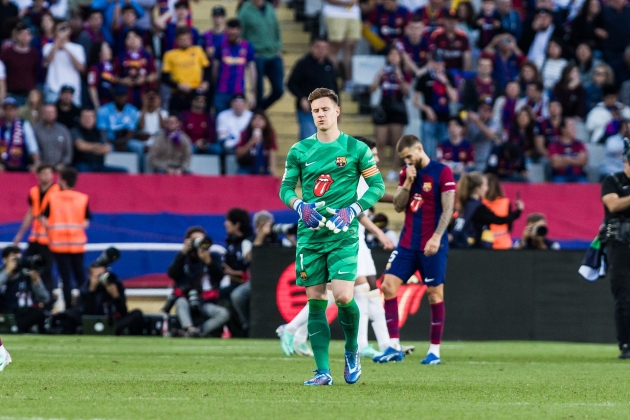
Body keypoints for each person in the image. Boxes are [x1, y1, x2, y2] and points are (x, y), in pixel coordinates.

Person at [279, 87, 385, 385]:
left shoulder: (356, 149)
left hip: (343, 235)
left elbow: (376, 187)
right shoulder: (299, 150)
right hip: (310, 236)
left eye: (325, 109)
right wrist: (300, 206)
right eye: (315, 111)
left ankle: (352, 351)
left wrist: (352, 210)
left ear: (337, 111)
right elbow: (286, 188)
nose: (321, 114)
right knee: (315, 300)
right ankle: (322, 371)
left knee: (342, 296)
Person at [277, 136, 396, 359]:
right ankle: (295, 329)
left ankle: (374, 343)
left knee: (363, 289)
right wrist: (379, 232)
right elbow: (359, 210)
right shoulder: (354, 169)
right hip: (345, 237)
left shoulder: (363, 170)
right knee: (344, 292)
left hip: (354, 238)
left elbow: (376, 193)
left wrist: (400, 198)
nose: (377, 158)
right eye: (374, 153)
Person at [373, 134, 455, 366]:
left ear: (420, 149)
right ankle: (394, 346)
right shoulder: (406, 173)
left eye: (409, 156)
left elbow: (448, 209)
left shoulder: (442, 172)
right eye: (403, 159)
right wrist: (407, 182)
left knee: (434, 294)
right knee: (388, 286)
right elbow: (399, 206)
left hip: (433, 245)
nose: (407, 161)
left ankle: (434, 352)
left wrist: (437, 237)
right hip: (408, 244)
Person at [167, 227, 230, 338]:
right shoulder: (184, 258)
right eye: (195, 240)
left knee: (223, 314)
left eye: (202, 240)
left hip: (206, 302)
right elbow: (172, 274)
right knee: (180, 302)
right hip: (186, 299)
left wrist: (208, 262)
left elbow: (219, 277)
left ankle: (197, 332)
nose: (199, 243)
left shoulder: (212, 257)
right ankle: (189, 328)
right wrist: (183, 253)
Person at [41, 167, 90, 309]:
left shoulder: (53, 198)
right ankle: (84, 307)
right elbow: (86, 222)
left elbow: (44, 219)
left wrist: (52, 231)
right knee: (81, 277)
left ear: (62, 181)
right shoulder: (82, 198)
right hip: (77, 245)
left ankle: (69, 309)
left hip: (59, 245)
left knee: (65, 279)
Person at [601, 144, 630, 358]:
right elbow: (613, 205)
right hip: (620, 243)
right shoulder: (613, 181)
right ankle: (626, 344)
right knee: (623, 294)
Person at [12, 164, 59, 292]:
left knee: (46, 271)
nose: (47, 176)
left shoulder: (57, 191)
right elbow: (31, 213)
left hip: (50, 238)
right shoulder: (34, 191)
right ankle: (28, 296)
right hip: (35, 236)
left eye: (49, 173)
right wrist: (20, 234)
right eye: (44, 173)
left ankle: (48, 301)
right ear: (38, 175)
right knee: (26, 265)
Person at [452, 171, 523, 250]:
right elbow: (499, 220)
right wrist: (518, 212)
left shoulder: (465, 204)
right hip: (474, 250)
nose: (487, 189)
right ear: (478, 188)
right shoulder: (479, 208)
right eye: (485, 185)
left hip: (463, 248)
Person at [370, 46, 410, 180]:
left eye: (396, 55)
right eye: (391, 54)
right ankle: (377, 170)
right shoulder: (383, 72)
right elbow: (372, 89)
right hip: (384, 106)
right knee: (380, 141)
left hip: (398, 107)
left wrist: (400, 77)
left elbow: (407, 92)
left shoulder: (405, 72)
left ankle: (394, 170)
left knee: (396, 142)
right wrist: (378, 76)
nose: (393, 57)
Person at [287, 38, 338, 141]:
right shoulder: (303, 64)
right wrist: (302, 98)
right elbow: (291, 84)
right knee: (309, 139)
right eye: (318, 47)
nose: (321, 50)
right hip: (308, 110)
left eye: (324, 48)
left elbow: (334, 86)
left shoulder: (329, 64)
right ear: (312, 47)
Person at [238, 0, 284, 110]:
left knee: (279, 90)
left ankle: (258, 112)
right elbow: (240, 33)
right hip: (258, 55)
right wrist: (248, 52)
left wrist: (278, 47)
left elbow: (276, 28)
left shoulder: (269, 7)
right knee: (259, 90)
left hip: (273, 54)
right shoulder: (245, 11)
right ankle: (258, 114)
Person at [413, 51, 458, 161]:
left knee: (444, 152)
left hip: (445, 119)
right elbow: (415, 101)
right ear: (431, 62)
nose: (439, 64)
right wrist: (427, 109)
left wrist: (445, 82)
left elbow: (454, 98)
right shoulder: (424, 77)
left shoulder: (449, 76)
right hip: (428, 120)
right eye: (436, 61)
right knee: (428, 152)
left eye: (441, 61)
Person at [82, 261, 144, 335]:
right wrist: (91, 291)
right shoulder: (86, 287)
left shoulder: (115, 284)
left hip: (114, 322)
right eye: (97, 276)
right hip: (92, 321)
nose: (100, 278)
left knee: (137, 313)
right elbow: (85, 312)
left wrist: (115, 295)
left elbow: (123, 311)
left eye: (102, 275)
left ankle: (110, 330)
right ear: (90, 276)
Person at [0, 245, 50, 333]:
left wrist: (36, 282)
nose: (17, 262)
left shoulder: (27, 274)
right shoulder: (1, 273)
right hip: (6, 314)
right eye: (14, 260)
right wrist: (7, 272)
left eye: (19, 259)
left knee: (41, 313)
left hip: (26, 313)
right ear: (5, 260)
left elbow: (45, 299)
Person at [211, 18, 256, 114]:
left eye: (234, 30)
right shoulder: (220, 45)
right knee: (220, 120)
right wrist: (215, 86)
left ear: (239, 30)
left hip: (238, 91)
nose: (232, 32)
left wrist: (252, 92)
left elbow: (252, 70)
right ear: (226, 30)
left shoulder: (247, 46)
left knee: (237, 122)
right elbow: (214, 68)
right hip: (221, 91)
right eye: (230, 30)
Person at [161, 27, 210, 113]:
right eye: (182, 39)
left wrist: (205, 81)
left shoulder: (198, 51)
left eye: (187, 39)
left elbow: (207, 69)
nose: (185, 41)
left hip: (196, 93)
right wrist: (178, 85)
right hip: (178, 93)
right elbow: (164, 78)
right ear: (177, 40)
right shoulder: (169, 55)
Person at [96, 85, 143, 170]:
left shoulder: (132, 110)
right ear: (114, 97)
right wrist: (114, 143)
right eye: (118, 95)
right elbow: (102, 132)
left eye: (123, 95)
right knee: (106, 148)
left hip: (126, 141)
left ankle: (141, 173)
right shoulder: (104, 110)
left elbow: (131, 132)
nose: (121, 98)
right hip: (109, 140)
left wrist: (122, 142)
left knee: (138, 147)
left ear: (126, 97)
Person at [42, 20, 86, 106]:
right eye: (60, 29)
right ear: (55, 31)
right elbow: (47, 62)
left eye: (64, 28)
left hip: (73, 91)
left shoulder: (78, 48)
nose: (62, 31)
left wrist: (65, 48)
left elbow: (80, 67)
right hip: (53, 89)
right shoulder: (48, 47)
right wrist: (57, 44)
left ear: (69, 31)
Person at [71, 108, 127, 173]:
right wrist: (98, 146)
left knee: (123, 171)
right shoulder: (75, 130)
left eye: (90, 117)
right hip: (82, 163)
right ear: (80, 119)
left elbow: (107, 149)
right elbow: (81, 146)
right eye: (85, 117)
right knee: (83, 170)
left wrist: (89, 147)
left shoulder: (100, 132)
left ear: (95, 119)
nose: (88, 119)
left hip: (99, 165)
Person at [322, 0, 361, 92]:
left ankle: (349, 81)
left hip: (353, 13)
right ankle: (331, 81)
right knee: (335, 47)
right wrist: (345, 3)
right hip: (334, 13)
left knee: (350, 47)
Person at [0, 22, 38, 106]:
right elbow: (2, 71)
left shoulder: (34, 53)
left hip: (28, 94)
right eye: (22, 33)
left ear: (31, 37)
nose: (24, 36)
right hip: (11, 93)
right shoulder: (8, 52)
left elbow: (36, 71)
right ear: (16, 35)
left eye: (27, 34)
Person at [117, 29, 157, 109]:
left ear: (140, 40)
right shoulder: (120, 57)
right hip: (127, 93)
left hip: (144, 92)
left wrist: (144, 79)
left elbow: (155, 75)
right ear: (125, 42)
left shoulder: (148, 56)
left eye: (135, 37)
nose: (132, 40)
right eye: (129, 38)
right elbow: (114, 76)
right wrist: (123, 81)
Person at [0, 96, 39, 172]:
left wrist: (36, 163)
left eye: (11, 109)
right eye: (6, 109)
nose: (9, 112)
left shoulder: (24, 124)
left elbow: (32, 146)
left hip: (21, 164)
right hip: (2, 164)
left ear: (16, 110)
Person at [235, 110, 277, 176]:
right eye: (255, 118)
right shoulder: (245, 134)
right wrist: (251, 142)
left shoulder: (269, 134)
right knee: (242, 175)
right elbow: (239, 154)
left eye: (261, 119)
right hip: (247, 166)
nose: (257, 121)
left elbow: (272, 151)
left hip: (263, 166)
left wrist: (273, 169)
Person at [33, 104, 73, 171]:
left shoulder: (63, 130)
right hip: (41, 169)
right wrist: (38, 163)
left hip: (60, 169)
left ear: (56, 114)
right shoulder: (35, 130)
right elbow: (32, 149)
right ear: (43, 114)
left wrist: (63, 164)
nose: (49, 114)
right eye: (47, 112)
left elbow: (69, 152)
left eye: (52, 112)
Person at [482, 173, 517, 249]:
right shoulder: (506, 202)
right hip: (504, 243)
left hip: (485, 244)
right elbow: (509, 225)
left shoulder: (480, 203)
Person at [548, 118, 588, 183]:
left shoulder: (579, 144)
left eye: (574, 126)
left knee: (584, 185)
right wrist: (575, 159)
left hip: (578, 176)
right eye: (571, 126)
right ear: (563, 129)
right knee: (558, 184)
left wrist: (564, 159)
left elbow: (583, 161)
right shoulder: (554, 145)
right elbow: (555, 164)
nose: (574, 129)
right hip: (559, 176)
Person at [468, 97, 500, 172]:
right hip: (469, 159)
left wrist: (477, 122)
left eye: (488, 109)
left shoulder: (494, 122)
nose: (485, 111)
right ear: (478, 109)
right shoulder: (470, 119)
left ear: (492, 112)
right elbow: (461, 134)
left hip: (485, 159)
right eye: (483, 108)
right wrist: (467, 123)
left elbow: (490, 135)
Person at [87, 41, 117, 109]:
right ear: (100, 53)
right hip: (101, 103)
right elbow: (92, 87)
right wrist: (97, 107)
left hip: (111, 104)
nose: (110, 50)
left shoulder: (112, 67)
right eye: (107, 48)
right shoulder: (94, 68)